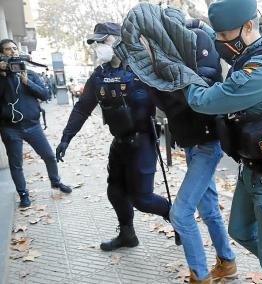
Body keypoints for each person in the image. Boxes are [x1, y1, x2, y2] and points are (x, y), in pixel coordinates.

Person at [184, 0, 262, 283]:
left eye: (224, 36)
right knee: (239, 230)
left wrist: (183, 73)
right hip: (255, 168)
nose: (218, 43)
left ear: (248, 26)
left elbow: (201, 100)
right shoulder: (256, 55)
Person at [56, 23, 170, 251]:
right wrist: (66, 137)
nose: (98, 47)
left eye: (102, 41)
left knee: (142, 199)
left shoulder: (143, 69)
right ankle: (128, 235)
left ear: (119, 40)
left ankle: (179, 219)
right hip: (119, 144)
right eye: (96, 42)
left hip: (143, 142)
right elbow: (82, 108)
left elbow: (170, 99)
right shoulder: (100, 75)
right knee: (115, 192)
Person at [149, 12, 236, 283]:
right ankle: (228, 262)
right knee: (207, 207)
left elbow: (190, 97)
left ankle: (200, 276)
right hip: (193, 143)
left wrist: (153, 74)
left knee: (181, 213)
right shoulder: (171, 51)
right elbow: (169, 105)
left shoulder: (197, 42)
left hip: (207, 143)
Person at [0, 39, 71, 208]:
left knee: (49, 156)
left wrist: (27, 82)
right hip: (11, 128)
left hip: (33, 126)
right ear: (2, 54)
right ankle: (23, 194)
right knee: (16, 164)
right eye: (8, 50)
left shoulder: (30, 73)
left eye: (14, 48)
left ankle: (55, 182)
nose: (13, 52)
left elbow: (45, 94)